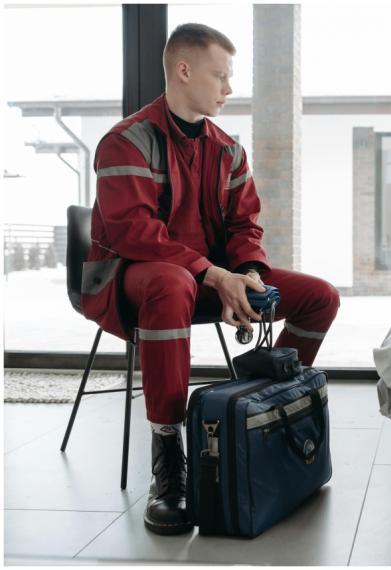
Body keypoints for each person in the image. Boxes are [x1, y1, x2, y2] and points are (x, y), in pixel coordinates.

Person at [82, 23, 340, 535]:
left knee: (320, 297)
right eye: (220, 76)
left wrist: (244, 275)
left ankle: (255, 414)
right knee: (170, 284)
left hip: (210, 276)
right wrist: (212, 274)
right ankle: (169, 460)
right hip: (133, 280)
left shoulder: (229, 151)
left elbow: (246, 225)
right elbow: (135, 233)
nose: (228, 88)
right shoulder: (124, 142)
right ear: (183, 70)